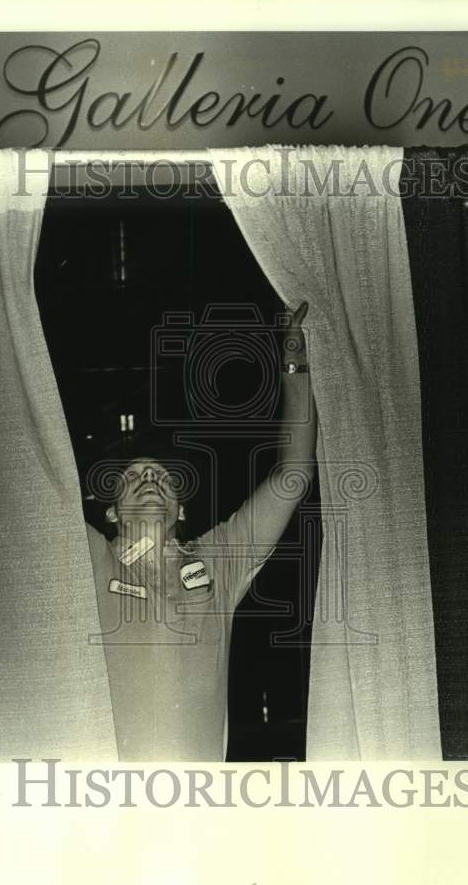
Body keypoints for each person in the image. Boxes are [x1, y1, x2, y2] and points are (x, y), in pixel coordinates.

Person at [84, 302, 316, 761]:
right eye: (134, 478)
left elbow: (294, 475)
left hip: (199, 800)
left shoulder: (216, 559)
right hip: (110, 799)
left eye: (163, 479)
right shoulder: (92, 559)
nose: (150, 480)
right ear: (111, 514)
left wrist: (294, 359)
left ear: (180, 506)